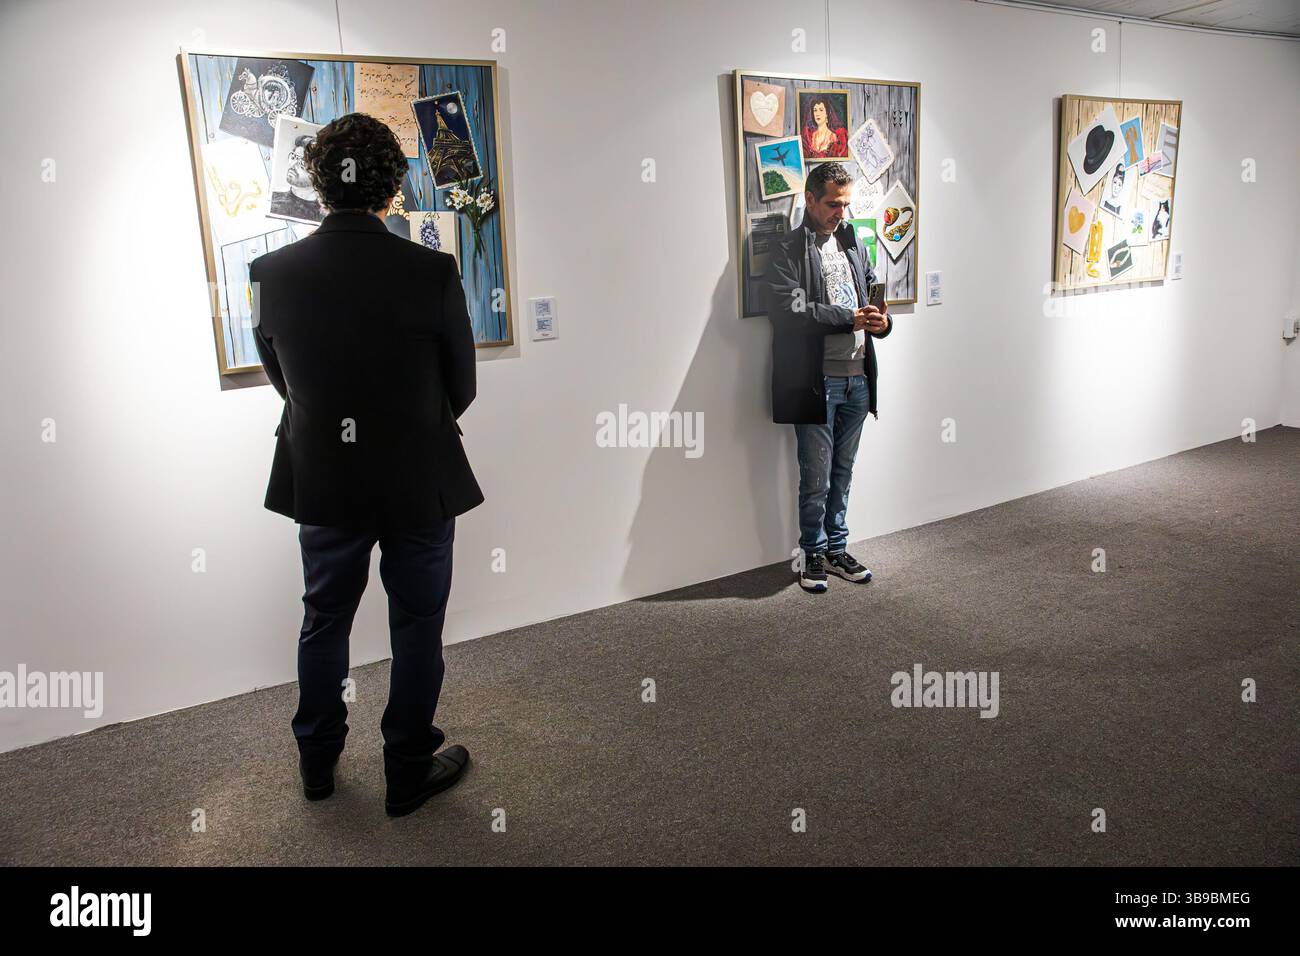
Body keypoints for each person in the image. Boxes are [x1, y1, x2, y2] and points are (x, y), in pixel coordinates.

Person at [250, 112, 482, 817]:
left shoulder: (271, 273)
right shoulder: (432, 269)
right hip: (417, 476)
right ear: (393, 188)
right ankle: (407, 768)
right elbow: (461, 387)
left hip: (324, 474)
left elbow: (280, 376)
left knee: (324, 617)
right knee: (417, 625)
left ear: (319, 184)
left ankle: (317, 764)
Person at [765, 161, 892, 593]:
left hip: (858, 378)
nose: (842, 212)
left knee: (843, 471)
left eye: (846, 204)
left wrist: (879, 323)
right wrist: (848, 318)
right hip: (817, 381)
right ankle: (811, 554)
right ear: (810, 200)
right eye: (834, 204)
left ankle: (837, 549)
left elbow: (873, 293)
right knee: (815, 475)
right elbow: (788, 311)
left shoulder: (853, 241)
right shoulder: (786, 249)